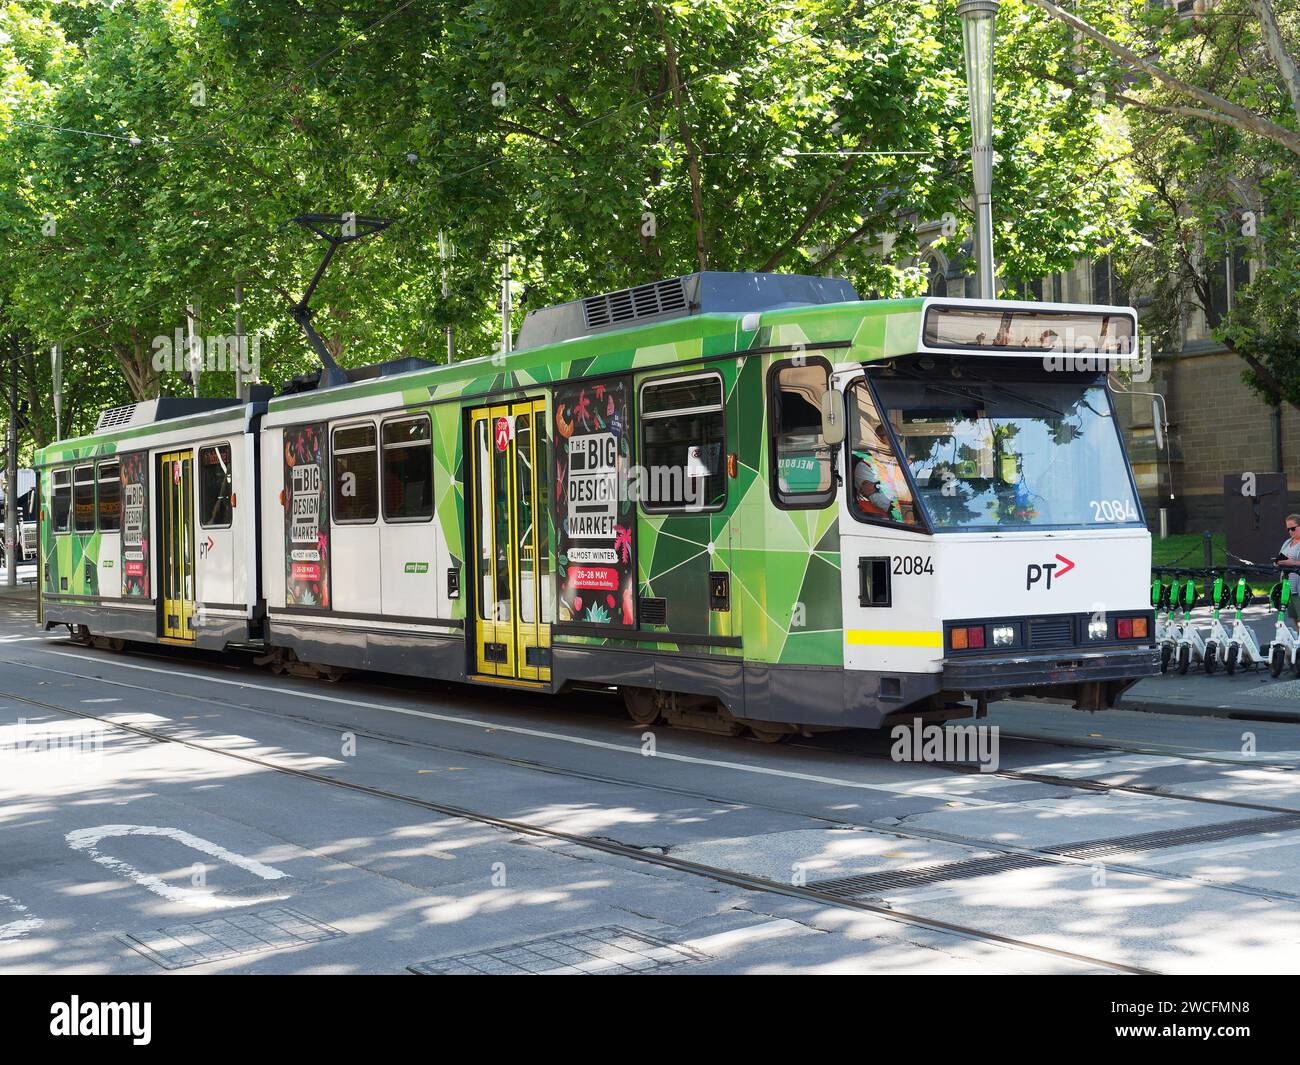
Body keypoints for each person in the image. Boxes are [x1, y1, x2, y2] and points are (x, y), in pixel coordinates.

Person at [1276, 514, 1300, 622]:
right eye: (1288, 529)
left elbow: (1292, 562)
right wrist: (1278, 563)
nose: (1290, 532)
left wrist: (1293, 562)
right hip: (1288, 588)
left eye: (1293, 528)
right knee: (1295, 619)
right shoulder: (1287, 542)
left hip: (1298, 588)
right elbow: (1281, 557)